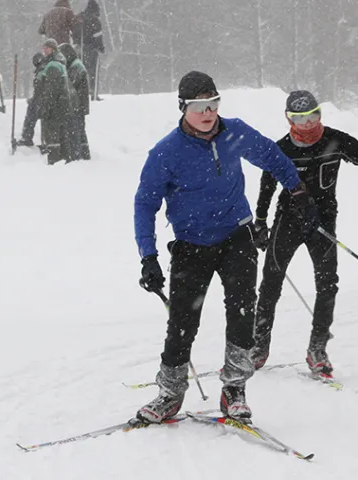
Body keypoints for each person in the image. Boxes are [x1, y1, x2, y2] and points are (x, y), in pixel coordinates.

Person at [132, 71, 318, 424]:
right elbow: (145, 204)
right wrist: (148, 256)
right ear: (184, 107)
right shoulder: (166, 152)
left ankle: (234, 388)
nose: (208, 113)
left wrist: (298, 191)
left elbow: (272, 156)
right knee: (182, 322)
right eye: (200, 106)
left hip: (237, 237)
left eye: (214, 104)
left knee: (242, 315)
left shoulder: (235, 132)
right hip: (190, 245)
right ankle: (170, 394)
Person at [250, 90, 358, 380]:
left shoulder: (336, 141)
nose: (307, 124)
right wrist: (259, 222)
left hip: (323, 222)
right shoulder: (280, 149)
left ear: (320, 114)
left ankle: (317, 349)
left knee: (327, 284)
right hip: (288, 221)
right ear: (288, 119)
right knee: (270, 282)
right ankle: (258, 348)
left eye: (313, 116)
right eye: (299, 119)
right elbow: (267, 185)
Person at [35, 39, 72, 164]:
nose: (44, 50)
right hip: (61, 105)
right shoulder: (58, 63)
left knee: (52, 134)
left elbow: (51, 89)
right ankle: (64, 158)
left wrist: (46, 107)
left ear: (54, 49)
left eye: (48, 48)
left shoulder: (53, 65)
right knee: (60, 133)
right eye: (43, 48)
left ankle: (54, 161)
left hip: (54, 106)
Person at [58, 43, 91, 160]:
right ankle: (85, 153)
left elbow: (70, 84)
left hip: (77, 104)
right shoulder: (76, 64)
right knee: (80, 130)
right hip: (80, 104)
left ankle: (77, 155)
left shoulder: (76, 67)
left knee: (75, 130)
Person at [72, 0, 105, 101]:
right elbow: (98, 36)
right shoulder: (95, 20)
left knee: (80, 71)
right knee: (92, 71)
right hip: (92, 48)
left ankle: (79, 92)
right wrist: (101, 47)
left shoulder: (79, 18)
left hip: (79, 47)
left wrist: (76, 41)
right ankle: (93, 91)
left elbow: (73, 32)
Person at [16, 52, 49, 148]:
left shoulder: (42, 71)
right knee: (32, 110)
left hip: (44, 102)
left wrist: (34, 100)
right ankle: (29, 138)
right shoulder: (45, 68)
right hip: (45, 100)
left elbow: (40, 90)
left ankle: (26, 137)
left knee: (30, 114)